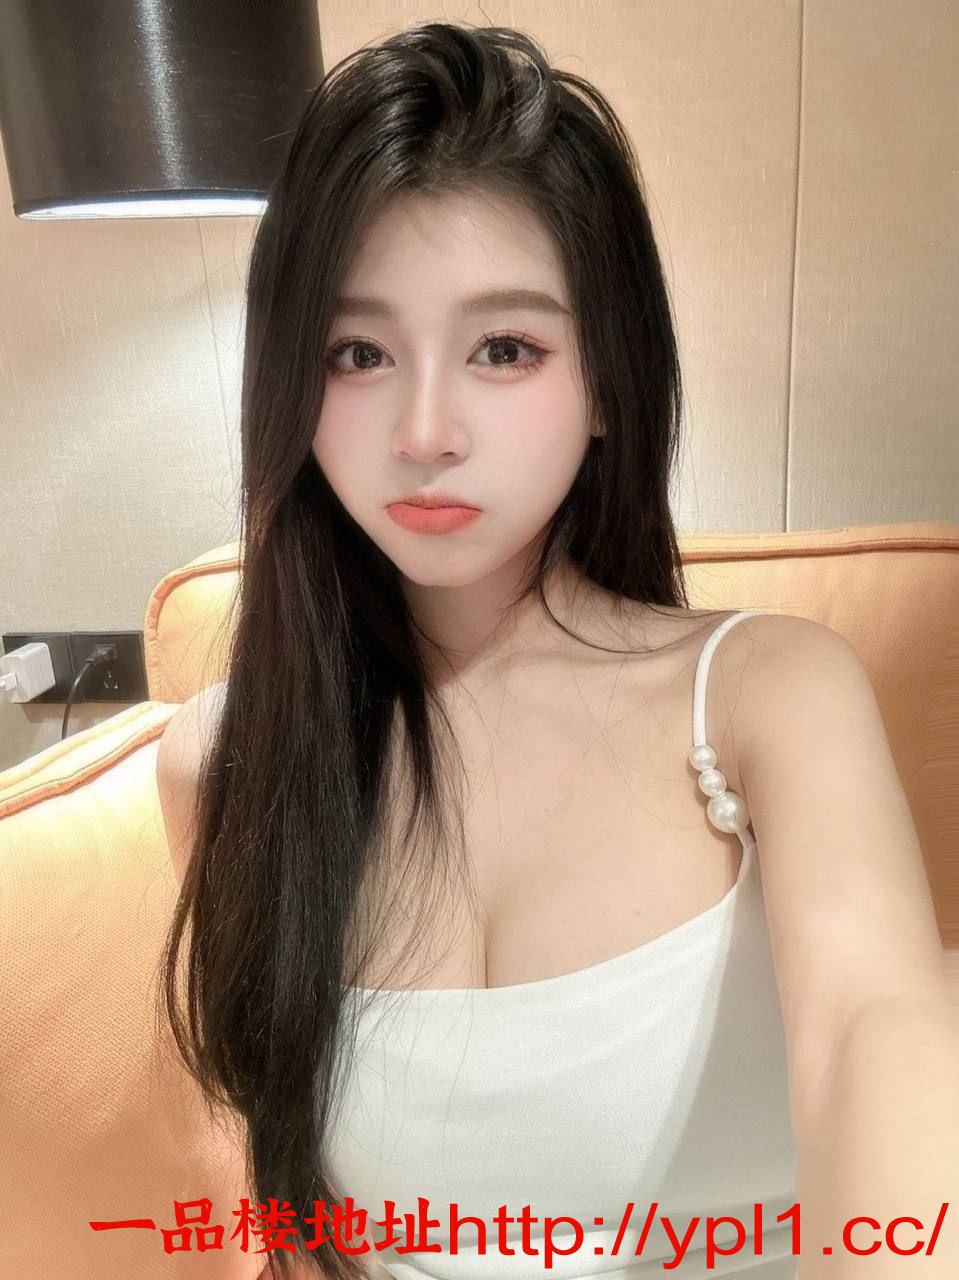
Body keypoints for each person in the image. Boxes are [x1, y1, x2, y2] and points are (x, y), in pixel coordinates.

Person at [154, 20, 956, 1280]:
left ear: (606, 384)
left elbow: (879, 1031)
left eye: (504, 348)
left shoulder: (767, 694)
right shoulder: (229, 761)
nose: (424, 430)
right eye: (356, 352)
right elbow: (298, 1211)